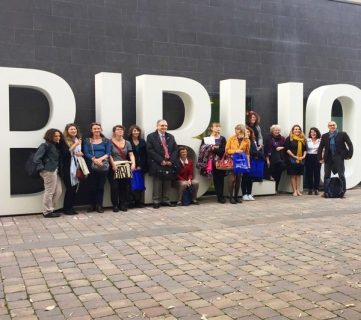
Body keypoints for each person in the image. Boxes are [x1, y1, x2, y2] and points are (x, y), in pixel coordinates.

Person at [147, 119, 178, 209]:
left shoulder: (171, 136)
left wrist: (171, 161)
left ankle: (166, 200)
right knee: (157, 183)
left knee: (167, 182)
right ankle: (156, 201)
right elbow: (150, 150)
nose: (164, 127)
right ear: (157, 126)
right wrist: (161, 160)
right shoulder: (151, 136)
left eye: (165, 125)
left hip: (169, 163)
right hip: (157, 163)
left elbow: (175, 149)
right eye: (162, 125)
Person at [33, 128, 64, 218]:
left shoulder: (55, 145)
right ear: (50, 136)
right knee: (49, 191)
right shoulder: (45, 145)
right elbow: (36, 158)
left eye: (59, 136)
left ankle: (51, 209)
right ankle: (47, 211)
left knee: (58, 191)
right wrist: (42, 169)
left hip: (54, 170)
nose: (58, 137)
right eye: (55, 136)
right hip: (48, 171)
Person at [318, 121, 353, 196]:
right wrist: (320, 158)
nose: (332, 126)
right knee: (326, 175)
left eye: (333, 125)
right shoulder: (325, 136)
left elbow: (349, 144)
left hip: (339, 156)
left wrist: (349, 155)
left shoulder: (342, 134)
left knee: (341, 174)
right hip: (328, 157)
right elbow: (320, 147)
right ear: (328, 127)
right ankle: (326, 192)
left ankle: (343, 191)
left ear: (336, 126)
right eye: (330, 125)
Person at [83, 122, 111, 213]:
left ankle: (99, 205)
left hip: (103, 166)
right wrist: (95, 160)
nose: (97, 130)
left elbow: (108, 153)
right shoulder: (87, 140)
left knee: (101, 186)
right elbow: (86, 153)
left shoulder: (106, 140)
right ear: (91, 130)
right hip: (91, 165)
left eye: (98, 128)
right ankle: (92, 205)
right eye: (95, 129)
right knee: (92, 186)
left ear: (101, 129)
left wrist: (100, 160)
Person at [109, 125, 136, 212]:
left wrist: (133, 163)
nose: (120, 131)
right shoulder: (109, 142)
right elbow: (109, 155)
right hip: (113, 167)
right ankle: (115, 205)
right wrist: (113, 165)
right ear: (114, 132)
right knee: (115, 187)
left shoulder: (127, 142)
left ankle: (123, 204)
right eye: (118, 129)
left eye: (121, 130)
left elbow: (131, 154)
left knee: (124, 187)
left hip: (125, 166)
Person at [199, 122, 227, 204]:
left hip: (219, 162)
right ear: (211, 128)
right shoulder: (206, 138)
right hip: (209, 162)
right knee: (214, 179)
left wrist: (213, 148)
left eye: (219, 126)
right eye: (216, 126)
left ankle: (220, 197)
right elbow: (202, 150)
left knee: (220, 179)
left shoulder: (222, 139)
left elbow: (223, 151)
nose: (218, 128)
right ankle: (218, 195)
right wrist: (214, 147)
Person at [61, 123, 83, 215]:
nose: (73, 131)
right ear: (67, 131)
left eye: (75, 129)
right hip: (68, 168)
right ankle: (67, 208)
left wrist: (81, 153)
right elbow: (65, 154)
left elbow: (79, 152)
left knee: (75, 189)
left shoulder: (78, 140)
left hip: (77, 166)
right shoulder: (64, 141)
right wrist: (75, 145)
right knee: (70, 188)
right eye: (71, 129)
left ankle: (71, 207)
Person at [225, 124, 250, 204]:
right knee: (232, 179)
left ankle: (236, 197)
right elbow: (226, 150)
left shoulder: (247, 140)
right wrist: (235, 151)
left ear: (242, 131)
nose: (236, 132)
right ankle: (231, 197)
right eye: (235, 130)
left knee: (239, 179)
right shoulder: (231, 138)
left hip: (241, 161)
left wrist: (248, 163)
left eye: (238, 130)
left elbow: (247, 153)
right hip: (232, 161)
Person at [128, 125, 148, 208]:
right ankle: (131, 201)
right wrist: (133, 164)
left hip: (141, 166)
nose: (136, 132)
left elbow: (145, 154)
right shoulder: (128, 141)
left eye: (137, 131)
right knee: (131, 185)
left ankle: (138, 201)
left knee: (140, 184)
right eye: (134, 131)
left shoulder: (143, 141)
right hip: (131, 166)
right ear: (131, 132)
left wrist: (140, 165)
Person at [284, 124, 307, 196]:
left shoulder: (303, 139)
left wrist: (303, 156)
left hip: (301, 159)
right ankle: (294, 191)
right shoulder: (289, 138)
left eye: (298, 129)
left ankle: (298, 190)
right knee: (293, 175)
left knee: (299, 175)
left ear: (300, 131)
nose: (297, 130)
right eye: (295, 129)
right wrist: (294, 156)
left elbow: (305, 149)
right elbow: (287, 149)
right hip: (292, 159)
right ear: (293, 130)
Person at [264, 124, 286, 192]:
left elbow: (286, 147)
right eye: (275, 130)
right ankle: (272, 189)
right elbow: (266, 149)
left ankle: (275, 188)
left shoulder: (282, 138)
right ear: (272, 130)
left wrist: (281, 147)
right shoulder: (268, 138)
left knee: (278, 174)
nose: (277, 131)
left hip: (281, 158)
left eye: (278, 130)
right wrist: (267, 159)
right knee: (274, 172)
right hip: (271, 158)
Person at [241, 126, 258, 201]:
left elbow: (254, 151)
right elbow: (247, 151)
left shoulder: (253, 141)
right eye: (246, 132)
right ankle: (244, 194)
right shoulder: (242, 141)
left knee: (250, 178)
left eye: (249, 132)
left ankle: (249, 193)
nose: (248, 133)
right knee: (245, 178)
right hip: (244, 160)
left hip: (252, 161)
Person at [305, 127, 321, 195]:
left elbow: (323, 149)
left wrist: (322, 158)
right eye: (311, 132)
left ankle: (316, 189)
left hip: (317, 157)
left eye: (314, 132)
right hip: (309, 157)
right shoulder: (307, 140)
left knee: (317, 173)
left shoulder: (320, 140)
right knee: (309, 173)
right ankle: (310, 189)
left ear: (317, 133)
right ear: (310, 133)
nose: (313, 133)